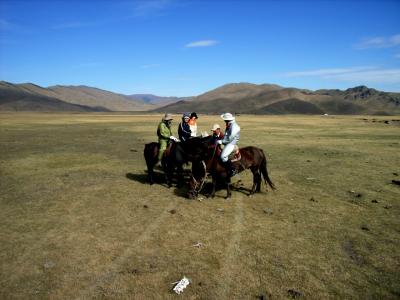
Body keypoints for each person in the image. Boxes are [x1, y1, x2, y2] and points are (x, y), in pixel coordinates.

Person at [217, 112, 240, 177]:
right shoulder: (229, 124)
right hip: (228, 142)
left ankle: (232, 169)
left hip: (231, 143)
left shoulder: (234, 126)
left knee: (223, 156)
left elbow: (230, 137)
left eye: (225, 120)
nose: (224, 121)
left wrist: (222, 141)